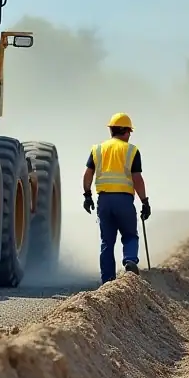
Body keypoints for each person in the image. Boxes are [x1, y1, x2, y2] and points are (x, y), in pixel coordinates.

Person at [82, 112, 151, 284]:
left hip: (104, 201)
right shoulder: (132, 150)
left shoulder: (97, 149)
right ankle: (129, 260)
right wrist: (145, 201)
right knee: (130, 235)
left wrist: (87, 195)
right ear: (127, 131)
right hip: (124, 201)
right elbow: (137, 179)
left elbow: (87, 174)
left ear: (111, 131)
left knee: (107, 242)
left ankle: (107, 281)